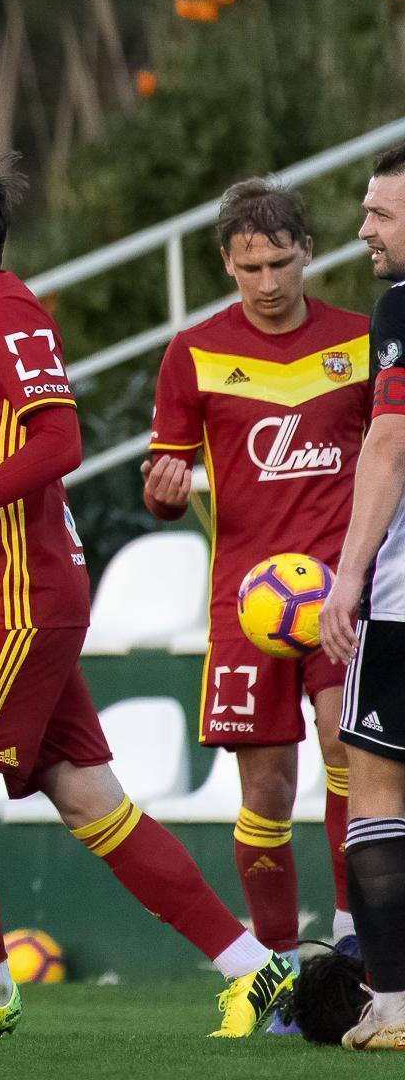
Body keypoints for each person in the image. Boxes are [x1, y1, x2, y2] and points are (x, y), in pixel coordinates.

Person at [0, 148, 291, 1039]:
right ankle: (257, 967)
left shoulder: (6, 311)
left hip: (23, 599)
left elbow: (59, 444)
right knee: (91, 800)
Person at [142, 179, 362, 999]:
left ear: (308, 251)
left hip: (342, 594)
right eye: (250, 267)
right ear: (225, 264)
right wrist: (164, 494)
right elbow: (165, 487)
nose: (267, 283)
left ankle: (356, 939)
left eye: (280, 262)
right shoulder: (193, 353)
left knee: (346, 746)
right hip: (248, 606)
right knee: (266, 789)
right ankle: (277, 970)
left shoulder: (361, 342)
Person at [316, 143, 405, 1051]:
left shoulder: (401, 308)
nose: (363, 230)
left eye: (380, 213)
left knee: (376, 785)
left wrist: (348, 577)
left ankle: (397, 1006)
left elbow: (388, 441)